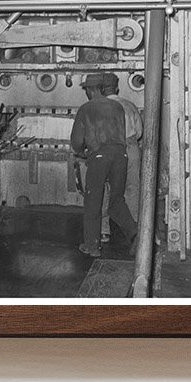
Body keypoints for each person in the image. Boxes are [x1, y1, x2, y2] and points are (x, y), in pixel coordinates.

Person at [70, 72, 137, 258]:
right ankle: (135, 235)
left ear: (90, 90)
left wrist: (81, 152)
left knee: (93, 201)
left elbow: (77, 141)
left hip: (99, 156)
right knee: (116, 201)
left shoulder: (86, 108)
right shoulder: (117, 107)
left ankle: (92, 246)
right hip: (121, 155)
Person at [102, 72, 143, 239]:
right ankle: (134, 229)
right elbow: (139, 132)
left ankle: (104, 230)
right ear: (117, 88)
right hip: (131, 147)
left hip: (109, 149)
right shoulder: (129, 105)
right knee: (132, 187)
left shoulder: (98, 107)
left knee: (105, 188)